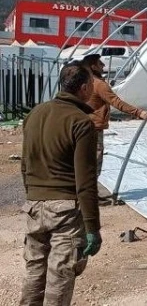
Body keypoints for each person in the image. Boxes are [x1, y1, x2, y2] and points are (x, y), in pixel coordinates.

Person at [20, 61, 103, 305]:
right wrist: (92, 227)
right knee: (60, 276)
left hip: (34, 205)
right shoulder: (81, 122)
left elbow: (25, 165)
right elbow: (86, 180)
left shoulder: (35, 114)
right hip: (65, 210)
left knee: (34, 270)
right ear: (85, 87)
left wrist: (33, 194)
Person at [82, 54, 147, 178]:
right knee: (94, 160)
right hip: (94, 127)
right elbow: (116, 102)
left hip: (82, 124)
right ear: (93, 66)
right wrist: (139, 112)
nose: (103, 65)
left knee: (84, 159)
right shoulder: (98, 84)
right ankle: (89, 192)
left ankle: (81, 189)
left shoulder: (84, 81)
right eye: (99, 63)